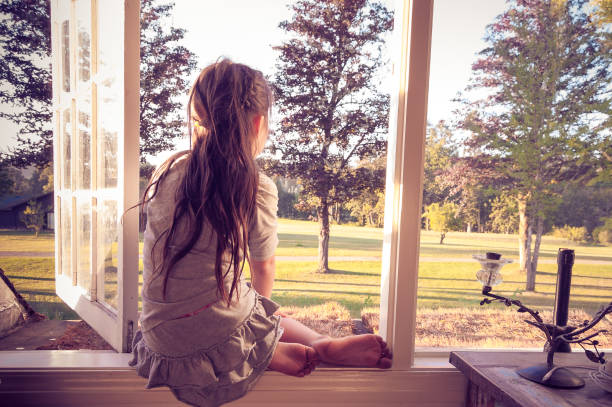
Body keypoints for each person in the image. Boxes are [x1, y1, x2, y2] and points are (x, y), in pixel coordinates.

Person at [129, 59, 392, 407]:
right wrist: (263, 321)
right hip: (218, 337)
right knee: (259, 306)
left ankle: (297, 343)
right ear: (257, 122)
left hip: (160, 339)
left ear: (195, 116)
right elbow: (264, 268)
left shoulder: (167, 171)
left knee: (244, 300)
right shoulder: (253, 186)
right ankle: (284, 348)